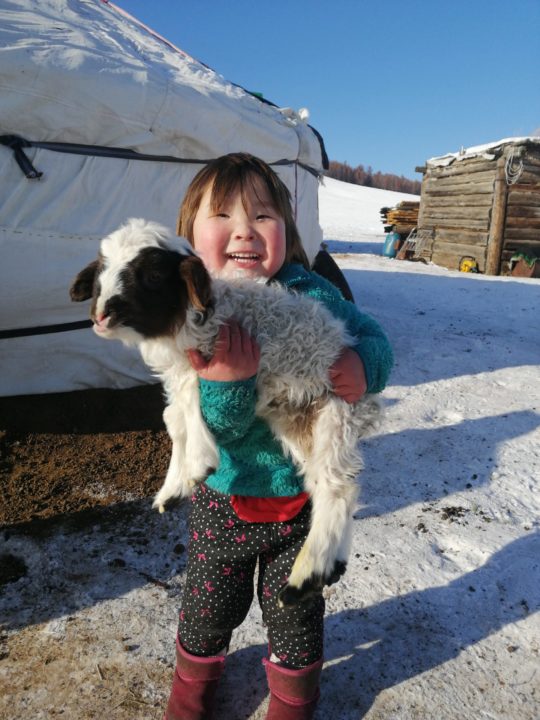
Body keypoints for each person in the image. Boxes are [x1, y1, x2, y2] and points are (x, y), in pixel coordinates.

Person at [163, 153, 393, 720]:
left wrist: (365, 364)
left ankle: (292, 704)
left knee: (295, 618)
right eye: (222, 215)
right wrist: (230, 383)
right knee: (208, 610)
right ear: (190, 235)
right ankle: (190, 695)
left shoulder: (312, 293)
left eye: (262, 216)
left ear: (286, 232)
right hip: (227, 496)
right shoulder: (195, 311)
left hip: (297, 503)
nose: (244, 229)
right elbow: (212, 432)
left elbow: (374, 335)